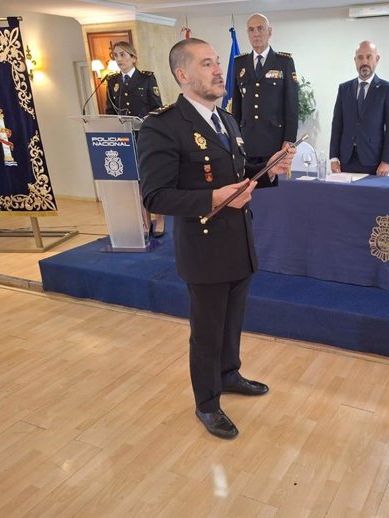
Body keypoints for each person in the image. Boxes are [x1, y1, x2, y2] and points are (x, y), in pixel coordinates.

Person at [137, 38, 295, 440]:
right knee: (207, 330)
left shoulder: (227, 120)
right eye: (207, 64)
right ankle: (207, 402)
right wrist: (213, 197)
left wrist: (269, 169)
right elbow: (155, 195)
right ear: (183, 74)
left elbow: (237, 175)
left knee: (232, 321)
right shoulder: (164, 124)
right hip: (204, 247)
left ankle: (229, 374)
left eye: (217, 62)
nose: (218, 70)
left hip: (238, 241)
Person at [105, 41, 166, 237]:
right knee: (136, 182)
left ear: (133, 57)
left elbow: (158, 108)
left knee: (151, 179)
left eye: (123, 55)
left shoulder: (146, 79)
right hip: (125, 139)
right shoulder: (112, 82)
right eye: (115, 55)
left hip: (145, 137)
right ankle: (145, 222)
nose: (119, 59)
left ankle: (160, 219)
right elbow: (109, 111)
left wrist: (146, 120)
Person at [232, 13, 299, 167]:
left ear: (269, 31)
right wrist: (235, 137)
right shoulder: (239, 63)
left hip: (274, 141)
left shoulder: (284, 62)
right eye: (251, 30)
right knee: (248, 186)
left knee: (273, 188)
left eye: (260, 28)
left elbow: (292, 105)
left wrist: (289, 140)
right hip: (247, 141)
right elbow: (236, 106)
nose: (256, 33)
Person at [329, 41, 389, 176]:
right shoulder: (344, 89)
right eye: (360, 57)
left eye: (369, 57)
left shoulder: (387, 89)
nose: (364, 62)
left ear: (377, 59)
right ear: (355, 60)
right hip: (346, 160)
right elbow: (337, 125)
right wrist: (334, 157)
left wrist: (386, 161)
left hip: (374, 162)